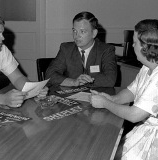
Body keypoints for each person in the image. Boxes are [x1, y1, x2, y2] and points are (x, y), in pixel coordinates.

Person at [90, 19, 158, 159]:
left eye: (134, 42)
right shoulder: (147, 68)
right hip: (145, 129)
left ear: (146, 47)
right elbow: (132, 91)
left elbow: (134, 115)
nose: (132, 46)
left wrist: (105, 103)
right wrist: (112, 98)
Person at [45, 11, 117, 87]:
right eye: (74, 31)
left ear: (94, 33)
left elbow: (110, 79)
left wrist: (84, 81)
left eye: (82, 31)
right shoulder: (66, 49)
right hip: (71, 95)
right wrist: (73, 82)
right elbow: (50, 75)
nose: (77, 36)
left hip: (96, 96)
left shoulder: (106, 50)